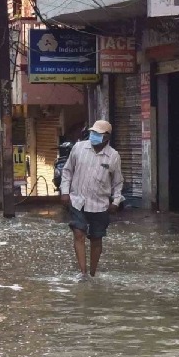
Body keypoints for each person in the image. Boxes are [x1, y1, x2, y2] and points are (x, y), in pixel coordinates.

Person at [60, 120, 124, 281]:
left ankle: (93, 273)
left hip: (100, 204)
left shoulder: (113, 156)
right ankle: (83, 273)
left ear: (107, 137)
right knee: (78, 233)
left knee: (96, 238)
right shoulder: (78, 148)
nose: (94, 136)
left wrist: (116, 201)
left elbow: (118, 182)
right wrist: (65, 192)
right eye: (93, 133)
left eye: (99, 134)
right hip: (77, 200)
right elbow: (67, 171)